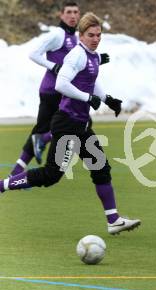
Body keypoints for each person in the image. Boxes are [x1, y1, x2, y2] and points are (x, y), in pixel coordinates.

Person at [0, 12, 140, 235]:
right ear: (81, 36)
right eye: (91, 35)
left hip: (82, 126)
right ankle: (2, 185)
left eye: (98, 35)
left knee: (101, 169)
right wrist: (87, 98)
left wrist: (108, 99)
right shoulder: (76, 56)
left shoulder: (92, 55)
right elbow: (61, 85)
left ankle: (113, 220)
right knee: (51, 175)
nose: (96, 39)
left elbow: (90, 82)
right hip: (67, 126)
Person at [10, 2, 109, 175]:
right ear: (61, 15)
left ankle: (18, 170)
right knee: (72, 125)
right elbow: (33, 54)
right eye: (69, 12)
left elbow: (80, 59)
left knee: (45, 130)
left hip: (64, 92)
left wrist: (98, 59)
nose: (73, 16)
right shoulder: (57, 34)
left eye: (76, 12)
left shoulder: (77, 37)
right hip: (52, 91)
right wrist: (53, 66)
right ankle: (23, 170)